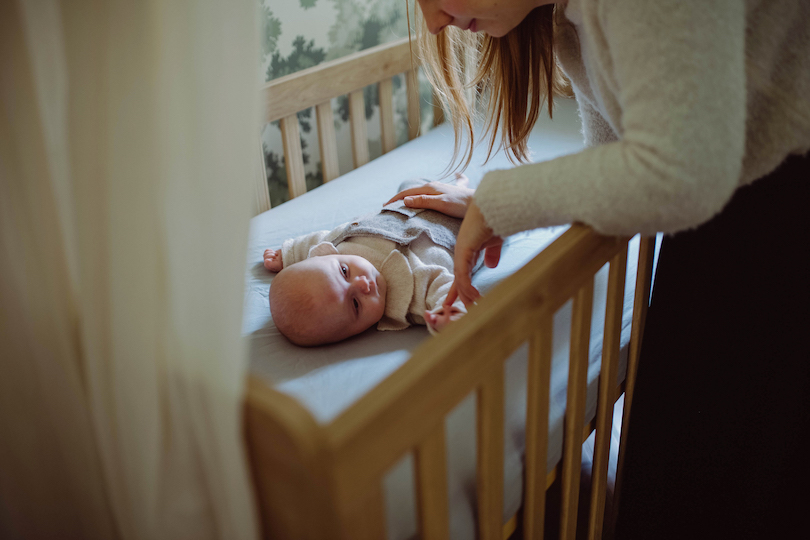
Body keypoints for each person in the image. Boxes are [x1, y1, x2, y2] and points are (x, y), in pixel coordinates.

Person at [396, 0, 810, 537]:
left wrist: (504, 201)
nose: (432, 21)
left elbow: (679, 174)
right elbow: (615, 158)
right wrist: (488, 205)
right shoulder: (569, 21)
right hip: (735, 193)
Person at [265, 177, 475, 346]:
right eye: (355, 304)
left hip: (406, 207)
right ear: (351, 335)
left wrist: (288, 254)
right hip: (458, 226)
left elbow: (314, 241)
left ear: (324, 255)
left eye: (344, 272)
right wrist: (449, 314)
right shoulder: (408, 300)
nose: (363, 284)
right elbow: (446, 286)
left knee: (411, 184)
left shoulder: (336, 247)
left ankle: (456, 186)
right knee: (483, 231)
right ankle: (465, 190)